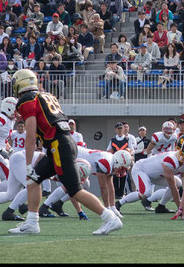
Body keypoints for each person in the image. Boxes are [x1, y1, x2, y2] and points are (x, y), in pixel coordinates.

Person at [8, 69, 123, 235]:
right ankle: (32, 223)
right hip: (61, 142)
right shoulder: (47, 95)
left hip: (58, 146)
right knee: (33, 179)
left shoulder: (27, 99)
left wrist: (27, 163)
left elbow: (31, 134)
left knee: (75, 189)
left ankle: (110, 218)